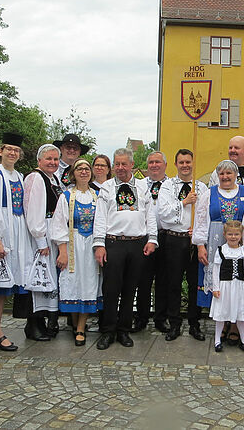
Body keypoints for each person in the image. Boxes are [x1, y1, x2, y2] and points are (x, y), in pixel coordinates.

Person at [93, 148, 158, 350]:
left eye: (124, 164)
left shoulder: (142, 186)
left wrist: (153, 239)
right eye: (117, 164)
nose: (120, 168)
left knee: (131, 289)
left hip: (137, 242)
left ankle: (124, 330)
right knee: (111, 289)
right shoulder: (106, 188)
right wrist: (99, 244)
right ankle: (108, 331)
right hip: (114, 243)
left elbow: (150, 214)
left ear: (131, 165)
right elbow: (100, 217)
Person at [193, 160, 244, 345]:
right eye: (222, 174)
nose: (225, 177)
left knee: (236, 282)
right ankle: (224, 323)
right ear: (217, 176)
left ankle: (235, 325)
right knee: (222, 282)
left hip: (238, 242)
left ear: (236, 175)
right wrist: (200, 245)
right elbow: (201, 220)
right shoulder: (208, 194)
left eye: (229, 173)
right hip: (215, 242)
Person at [0, 132, 32, 352]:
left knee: (5, 283)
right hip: (2, 231)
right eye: (8, 149)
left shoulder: (20, 176)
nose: (12, 153)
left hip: (17, 231)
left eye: (16, 150)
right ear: (0, 151)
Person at [156, 149, 207, 341]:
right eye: (181, 162)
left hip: (194, 241)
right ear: (176, 164)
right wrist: (184, 202)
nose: (185, 165)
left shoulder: (202, 187)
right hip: (174, 239)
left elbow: (205, 214)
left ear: (193, 163)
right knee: (173, 283)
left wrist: (200, 230)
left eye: (188, 162)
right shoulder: (167, 186)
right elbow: (164, 213)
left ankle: (194, 323)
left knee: (195, 283)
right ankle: (174, 323)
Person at [53, 159, 102, 346]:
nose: (83, 172)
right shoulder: (66, 196)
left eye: (86, 169)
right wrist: (62, 251)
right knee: (73, 283)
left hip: (91, 246)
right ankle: (75, 323)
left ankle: (81, 327)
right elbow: (58, 226)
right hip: (73, 245)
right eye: (79, 169)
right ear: (73, 173)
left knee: (89, 283)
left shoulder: (98, 196)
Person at [21, 144, 63, 341]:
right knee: (37, 278)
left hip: (51, 232)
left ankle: (43, 321)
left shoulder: (53, 178)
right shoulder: (35, 178)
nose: (53, 162)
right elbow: (33, 209)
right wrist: (40, 240)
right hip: (41, 234)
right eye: (49, 159)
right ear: (39, 161)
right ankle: (33, 324)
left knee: (48, 280)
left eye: (55, 159)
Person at [133, 151, 168, 332]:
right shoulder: (139, 185)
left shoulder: (172, 185)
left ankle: (161, 318)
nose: (154, 165)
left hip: (165, 235)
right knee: (143, 280)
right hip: (145, 237)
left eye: (158, 162)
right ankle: (141, 317)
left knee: (163, 279)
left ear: (165, 165)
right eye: (151, 162)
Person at [210, 220, 244, 353]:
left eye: (236, 234)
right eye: (230, 234)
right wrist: (215, 287)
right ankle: (217, 340)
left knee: (239, 313)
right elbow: (216, 270)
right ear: (225, 234)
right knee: (221, 313)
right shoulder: (221, 250)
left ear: (241, 235)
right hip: (224, 287)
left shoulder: (243, 251)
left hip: (238, 287)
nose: (233, 237)